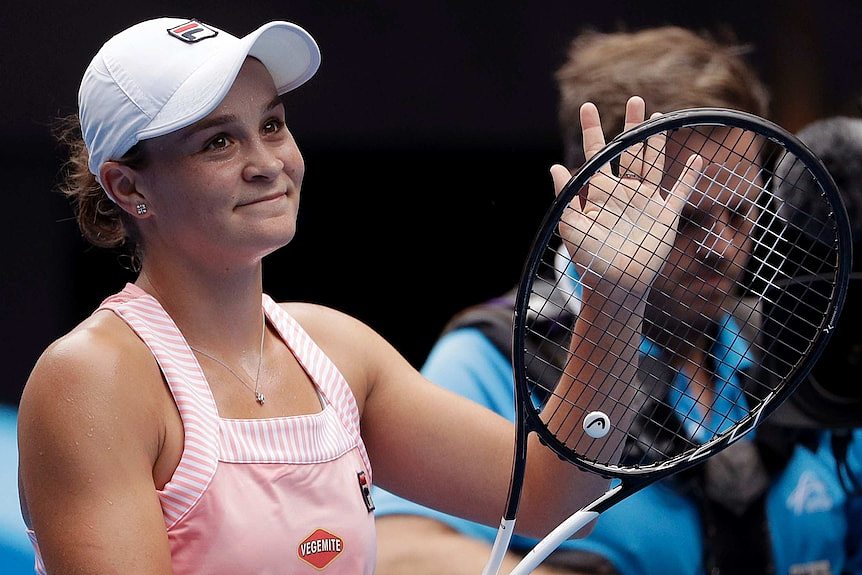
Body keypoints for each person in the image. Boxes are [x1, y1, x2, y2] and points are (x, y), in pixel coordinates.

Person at [15, 17, 693, 575]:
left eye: (272, 124)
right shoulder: (94, 380)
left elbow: (553, 492)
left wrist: (614, 294)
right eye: (218, 140)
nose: (266, 161)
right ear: (128, 188)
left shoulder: (337, 348)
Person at [373, 27, 862, 575]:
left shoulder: (804, 352)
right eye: (684, 221)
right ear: (590, 201)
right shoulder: (493, 361)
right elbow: (397, 553)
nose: (721, 249)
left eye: (741, 214)